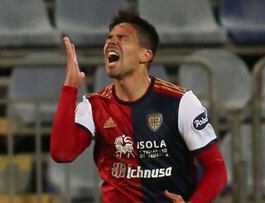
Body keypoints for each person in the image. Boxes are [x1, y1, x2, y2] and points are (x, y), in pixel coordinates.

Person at [50, 9, 227, 203]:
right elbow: (62, 153)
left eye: (123, 38)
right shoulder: (94, 106)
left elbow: (216, 169)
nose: (111, 42)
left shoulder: (180, 102)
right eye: (109, 38)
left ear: (145, 55)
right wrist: (70, 88)